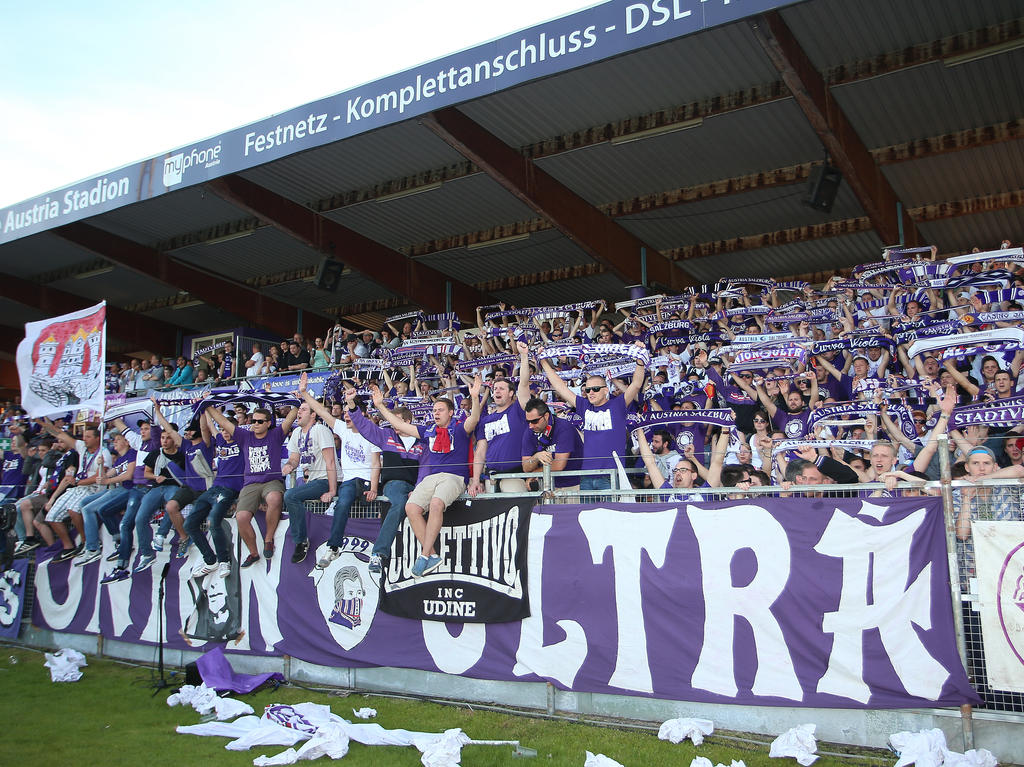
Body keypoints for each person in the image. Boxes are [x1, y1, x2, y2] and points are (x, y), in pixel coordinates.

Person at [371, 376, 483, 577]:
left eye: (440, 410)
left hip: (454, 476)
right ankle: (432, 555)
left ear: (451, 412)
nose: (436, 413)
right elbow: (400, 424)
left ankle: (423, 556)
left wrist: (474, 398)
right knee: (411, 507)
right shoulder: (429, 430)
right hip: (432, 477)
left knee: (436, 504)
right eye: (434, 410)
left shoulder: (459, 428)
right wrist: (380, 406)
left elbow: (474, 419)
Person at [296, 375, 380, 569]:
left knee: (367, 513)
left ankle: (375, 554)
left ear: (362, 414)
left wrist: (374, 487)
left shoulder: (372, 433)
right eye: (345, 415)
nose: (346, 418)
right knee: (342, 504)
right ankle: (334, 547)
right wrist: (303, 393)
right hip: (350, 481)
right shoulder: (342, 429)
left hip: (367, 481)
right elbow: (319, 411)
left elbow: (376, 463)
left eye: (350, 415)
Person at [540, 344, 647, 492]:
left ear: (606, 390)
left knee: (610, 514)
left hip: (611, 476)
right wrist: (543, 361)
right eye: (587, 389)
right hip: (586, 476)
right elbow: (560, 387)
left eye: (595, 389)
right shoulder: (584, 406)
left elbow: (636, 384)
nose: (590, 392)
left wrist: (640, 360)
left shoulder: (617, 405)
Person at [207, 399, 298, 568]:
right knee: (241, 517)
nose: (254, 424)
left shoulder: (275, 434)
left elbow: (291, 417)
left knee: (274, 499)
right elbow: (223, 422)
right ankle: (253, 553)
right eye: (253, 420)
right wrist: (208, 406)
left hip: (272, 481)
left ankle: (268, 539)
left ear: (268, 423)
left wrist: (297, 398)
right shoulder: (244, 436)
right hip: (250, 483)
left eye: (259, 421)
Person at [344, 385, 423, 574]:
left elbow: (427, 468)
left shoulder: (423, 441)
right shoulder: (386, 436)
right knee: (400, 503)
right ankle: (378, 554)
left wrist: (420, 488)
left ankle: (428, 554)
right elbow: (364, 426)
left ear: (407, 421)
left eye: (395, 419)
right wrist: (351, 403)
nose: (392, 423)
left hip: (419, 487)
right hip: (394, 485)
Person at [35, 421, 110, 563]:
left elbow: (100, 477)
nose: (84, 439)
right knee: (52, 515)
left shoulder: (104, 453)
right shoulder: (82, 447)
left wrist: (79, 482)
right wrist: (42, 422)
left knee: (73, 509)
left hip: (93, 489)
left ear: (97, 438)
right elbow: (61, 434)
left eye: (88, 436)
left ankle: (85, 541)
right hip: (77, 487)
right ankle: (68, 546)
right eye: (84, 436)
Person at [150, 396, 214, 558]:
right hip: (188, 487)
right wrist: (157, 410)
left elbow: (205, 427)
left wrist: (202, 408)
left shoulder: (205, 444)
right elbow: (169, 430)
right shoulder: (185, 444)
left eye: (190, 430)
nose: (186, 433)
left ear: (196, 432)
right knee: (171, 507)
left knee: (195, 519)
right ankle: (184, 538)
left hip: (204, 489)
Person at [184, 407, 245, 578]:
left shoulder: (243, 443)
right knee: (189, 524)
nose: (224, 433)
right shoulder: (220, 441)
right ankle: (210, 560)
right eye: (223, 430)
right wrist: (205, 409)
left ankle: (224, 560)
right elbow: (209, 426)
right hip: (213, 488)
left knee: (212, 521)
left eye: (227, 429)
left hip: (229, 490)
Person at [281, 390, 339, 565]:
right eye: (299, 409)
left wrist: (332, 489)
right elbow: (294, 458)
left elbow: (330, 461)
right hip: (313, 480)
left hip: (325, 479)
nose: (299, 412)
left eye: (304, 410)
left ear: (313, 415)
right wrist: (290, 465)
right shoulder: (297, 434)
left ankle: (301, 541)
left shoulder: (320, 430)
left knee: (291, 495)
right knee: (290, 494)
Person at [468, 341, 532, 494]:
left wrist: (524, 356)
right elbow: (481, 451)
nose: (497, 391)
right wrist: (476, 480)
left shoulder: (518, 410)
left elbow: (523, 384)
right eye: (495, 388)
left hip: (515, 475)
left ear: (511, 393)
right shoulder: (485, 421)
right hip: (491, 476)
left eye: (502, 388)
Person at [72, 430, 136, 566]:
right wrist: (100, 465)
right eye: (114, 440)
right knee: (83, 502)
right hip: (118, 489)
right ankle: (101, 541)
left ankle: (93, 548)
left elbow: (128, 476)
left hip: (129, 489)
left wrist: (107, 481)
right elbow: (104, 477)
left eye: (118, 439)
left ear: (127, 442)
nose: (115, 442)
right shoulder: (119, 459)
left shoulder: (133, 454)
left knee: (89, 509)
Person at [520, 397, 583, 491]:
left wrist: (535, 473)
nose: (531, 426)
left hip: (572, 484)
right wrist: (536, 457)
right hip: (548, 485)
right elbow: (525, 467)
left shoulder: (564, 428)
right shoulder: (529, 431)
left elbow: (559, 465)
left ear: (546, 416)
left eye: (534, 421)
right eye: (528, 421)